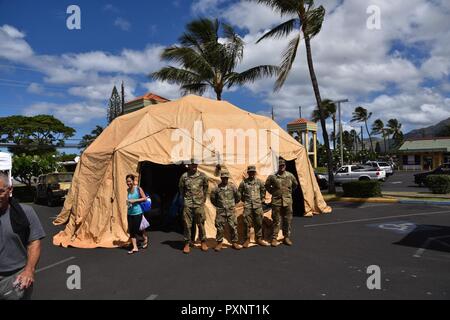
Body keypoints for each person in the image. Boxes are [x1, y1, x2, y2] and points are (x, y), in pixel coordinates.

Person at [0, 172, 45, 300]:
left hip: (15, 277)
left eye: (0, 191)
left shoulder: (25, 212)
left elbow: (34, 243)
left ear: (10, 190)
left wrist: (29, 270)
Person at [265, 159, 298, 247]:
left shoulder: (290, 176)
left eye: (283, 165)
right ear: (278, 167)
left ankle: (286, 237)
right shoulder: (273, 177)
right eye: (280, 165)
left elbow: (295, 185)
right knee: (276, 220)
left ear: (285, 166)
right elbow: (267, 185)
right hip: (277, 201)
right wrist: (273, 192)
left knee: (287, 220)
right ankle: (274, 238)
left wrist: (289, 193)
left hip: (287, 201)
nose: (281, 167)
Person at [178, 159, 209, 254]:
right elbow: (181, 189)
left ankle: (203, 241)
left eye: (195, 164)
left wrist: (202, 200)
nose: (194, 165)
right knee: (187, 224)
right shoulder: (184, 176)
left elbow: (206, 188)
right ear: (189, 165)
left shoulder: (203, 176)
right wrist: (185, 200)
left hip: (199, 204)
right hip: (188, 204)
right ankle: (187, 243)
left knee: (201, 223)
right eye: (192, 164)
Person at [238, 165, 270, 248]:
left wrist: (261, 199)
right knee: (246, 223)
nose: (251, 173)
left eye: (253, 172)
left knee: (259, 222)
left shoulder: (259, 182)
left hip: (257, 206)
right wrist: (244, 200)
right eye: (250, 172)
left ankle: (259, 239)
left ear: (255, 173)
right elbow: (239, 193)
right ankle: (247, 239)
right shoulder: (244, 183)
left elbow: (263, 190)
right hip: (248, 205)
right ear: (248, 173)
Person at [210, 171, 242, 252]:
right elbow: (213, 199)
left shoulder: (232, 187)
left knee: (233, 227)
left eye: (226, 178)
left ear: (228, 178)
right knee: (220, 228)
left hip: (231, 211)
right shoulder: (216, 189)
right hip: (221, 211)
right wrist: (219, 206)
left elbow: (238, 197)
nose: (225, 179)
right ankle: (219, 243)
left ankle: (234, 242)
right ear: (221, 178)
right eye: (223, 178)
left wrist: (232, 204)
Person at [126, 174, 148, 254]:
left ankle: (145, 238)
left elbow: (145, 198)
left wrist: (134, 201)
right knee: (131, 231)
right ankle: (135, 247)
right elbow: (129, 200)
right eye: (127, 182)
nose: (128, 183)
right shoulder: (128, 190)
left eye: (130, 181)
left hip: (138, 212)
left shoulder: (138, 189)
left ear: (133, 181)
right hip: (130, 213)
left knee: (139, 229)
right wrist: (128, 204)